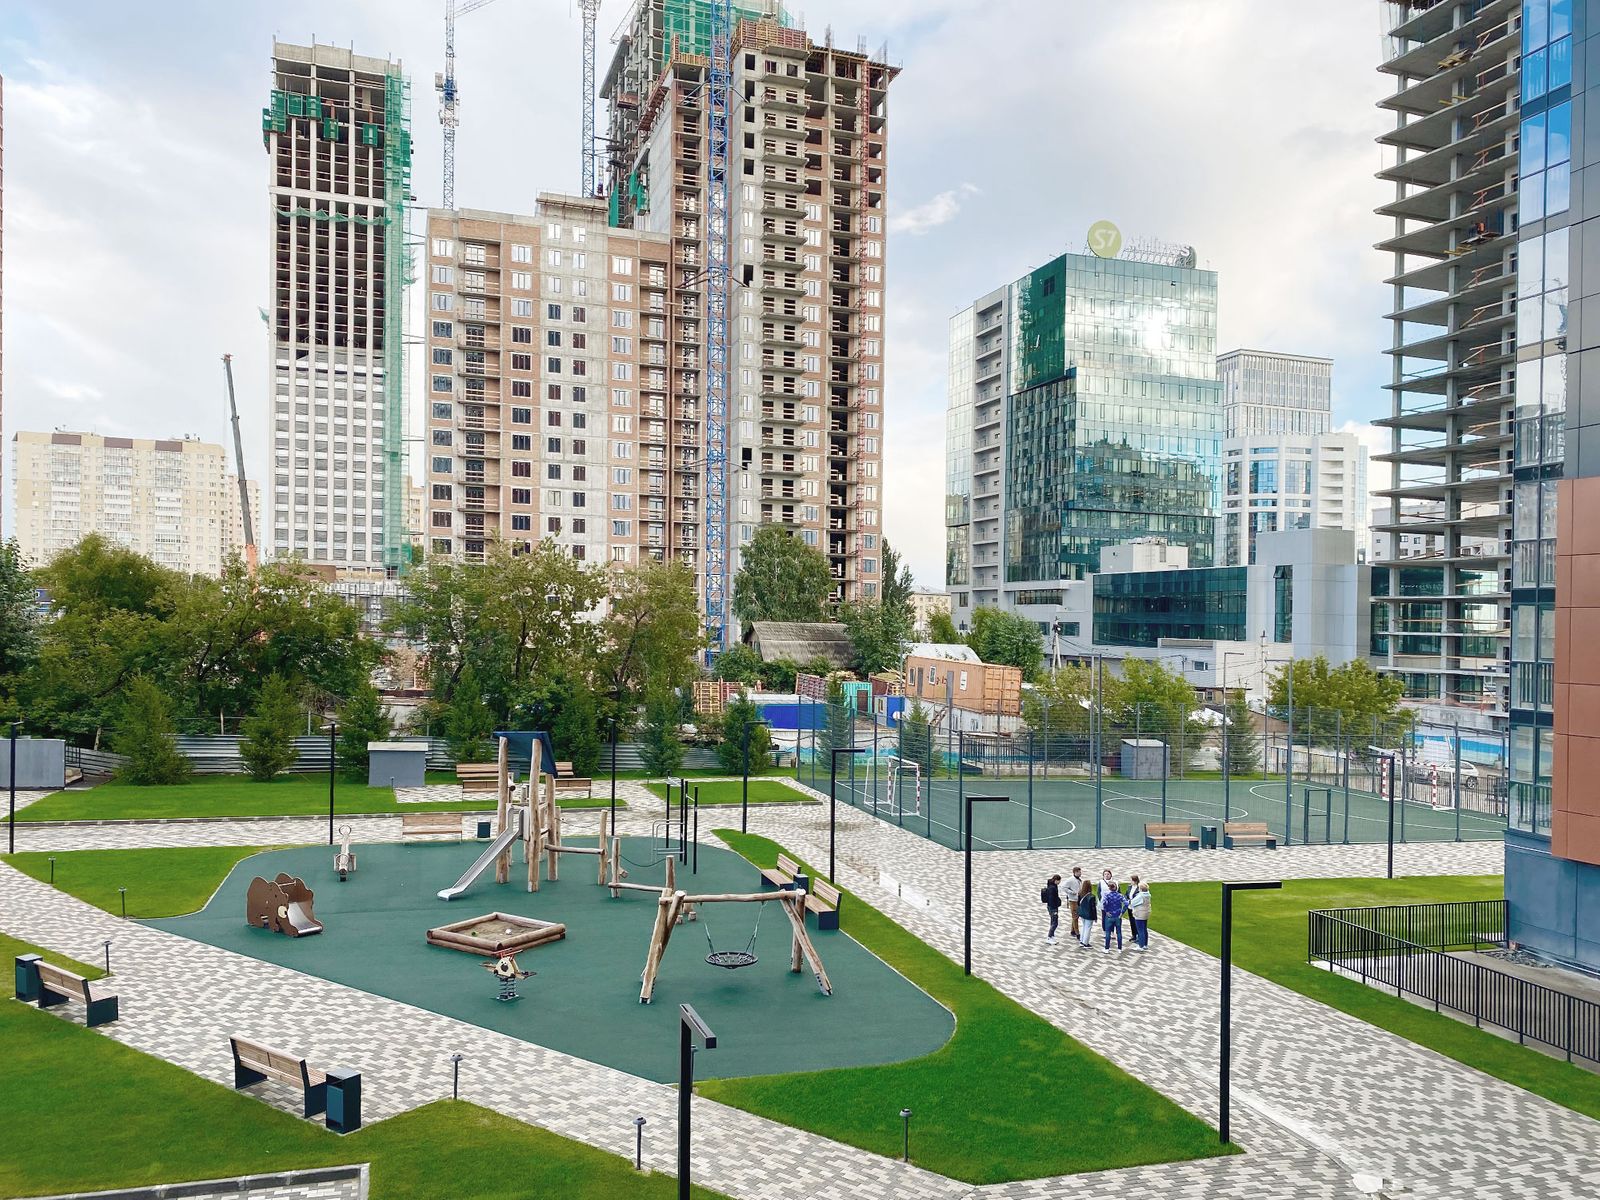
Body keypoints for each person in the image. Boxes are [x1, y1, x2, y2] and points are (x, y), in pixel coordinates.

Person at [1100, 879, 1127, 952]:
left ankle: (1107, 948)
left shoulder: (1107, 895)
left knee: (1108, 932)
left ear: (1109, 888)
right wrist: (1122, 912)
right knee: (1119, 932)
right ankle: (1119, 948)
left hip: (1109, 916)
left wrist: (1106, 911)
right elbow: (1126, 903)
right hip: (1118, 916)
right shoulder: (1120, 895)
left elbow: (1104, 903)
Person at [1127, 879, 1151, 950]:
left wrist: (1127, 901)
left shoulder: (1140, 896)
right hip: (1146, 913)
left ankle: (1141, 946)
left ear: (1140, 889)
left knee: (1140, 930)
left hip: (1139, 914)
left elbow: (1132, 902)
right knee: (1144, 929)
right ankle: (1145, 944)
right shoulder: (1148, 894)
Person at [1075, 878, 1097, 948]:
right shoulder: (1092, 897)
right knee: (1088, 928)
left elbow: (1078, 903)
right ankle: (1086, 943)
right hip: (1089, 915)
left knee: (1084, 927)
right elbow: (1093, 908)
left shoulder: (1080, 894)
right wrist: (1095, 917)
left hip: (1082, 913)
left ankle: (1081, 941)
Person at [1041, 874, 1062, 944]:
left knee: (1053, 921)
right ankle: (1049, 937)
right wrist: (1054, 910)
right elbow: (1051, 899)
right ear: (1056, 880)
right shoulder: (1052, 888)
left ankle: (1052, 935)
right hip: (1053, 907)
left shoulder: (1052, 885)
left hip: (1052, 906)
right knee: (1055, 923)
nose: (1059, 882)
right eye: (1059, 881)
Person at [1067, 866, 1085, 938]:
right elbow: (1063, 887)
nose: (1080, 873)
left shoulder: (1079, 880)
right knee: (1075, 916)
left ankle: (1072, 930)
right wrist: (1072, 892)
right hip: (1073, 900)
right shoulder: (1070, 880)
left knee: (1075, 916)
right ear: (1075, 872)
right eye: (1079, 872)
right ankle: (1077, 933)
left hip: (1078, 899)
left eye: (1080, 872)